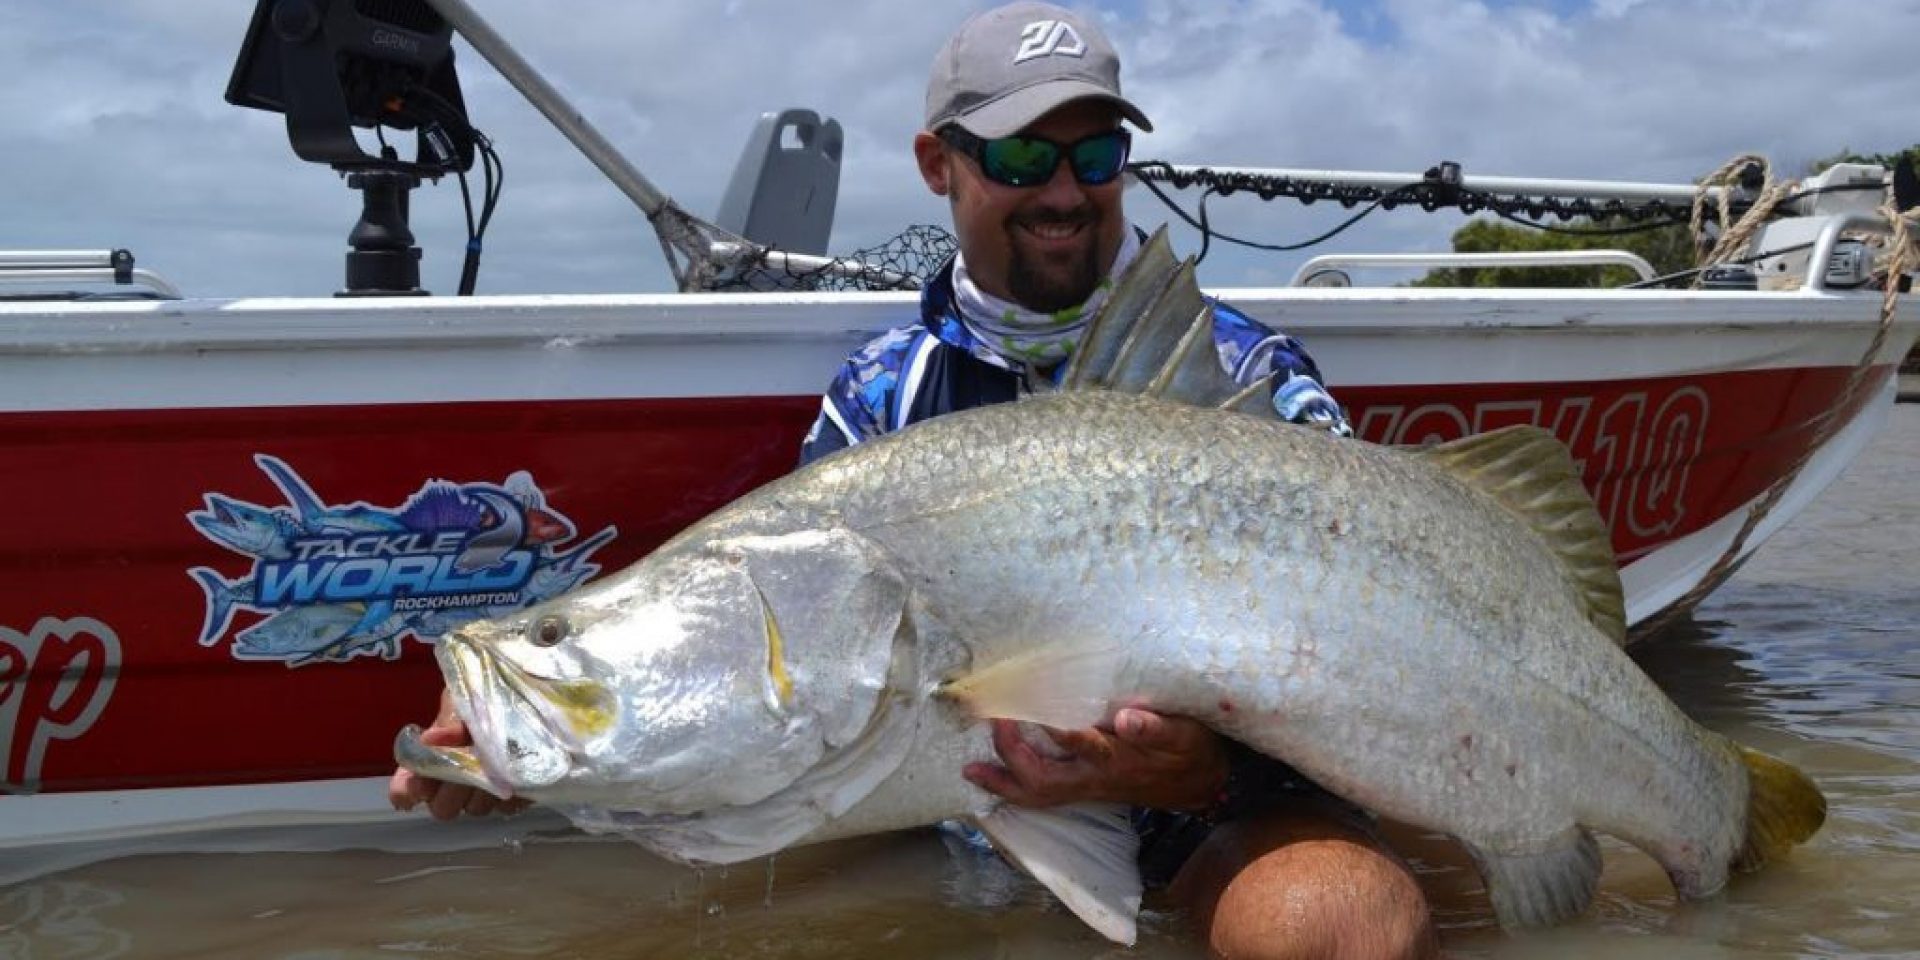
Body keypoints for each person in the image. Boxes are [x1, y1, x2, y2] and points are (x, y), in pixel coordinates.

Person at [393, 4, 1436, 957]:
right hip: (973, 827)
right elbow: (803, 701)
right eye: (1024, 154)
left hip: (1224, 811)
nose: (1065, 190)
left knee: (1334, 924)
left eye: (1097, 152)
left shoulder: (1245, 376)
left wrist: (1206, 773)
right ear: (939, 164)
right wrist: (536, 750)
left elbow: (1376, 685)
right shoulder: (879, 401)